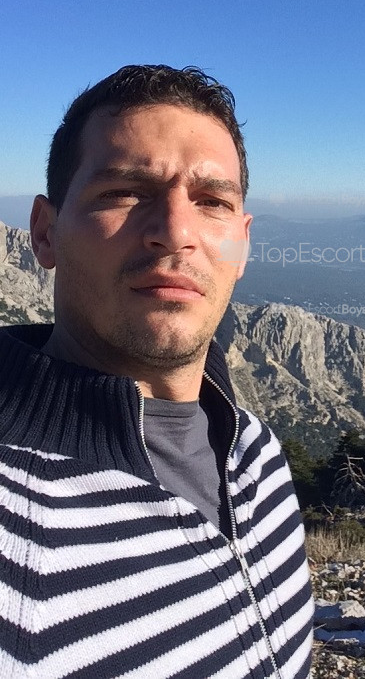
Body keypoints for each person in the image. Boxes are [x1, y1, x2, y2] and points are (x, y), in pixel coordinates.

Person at [0, 65, 314, 678]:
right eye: (125, 192)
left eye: (213, 202)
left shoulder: (256, 453)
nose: (175, 232)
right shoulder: (19, 550)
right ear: (44, 233)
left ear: (243, 244)